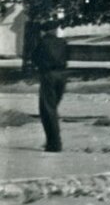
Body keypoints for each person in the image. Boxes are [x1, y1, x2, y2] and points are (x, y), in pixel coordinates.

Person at [31, 23, 68, 152]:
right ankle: (53, 142)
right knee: (52, 108)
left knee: (47, 110)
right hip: (62, 76)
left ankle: (54, 143)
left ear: (45, 31)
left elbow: (34, 58)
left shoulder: (43, 42)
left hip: (48, 75)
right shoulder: (62, 42)